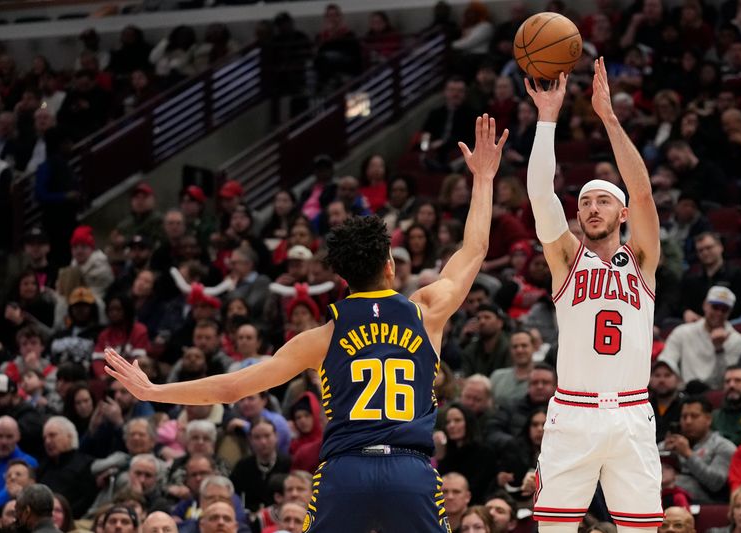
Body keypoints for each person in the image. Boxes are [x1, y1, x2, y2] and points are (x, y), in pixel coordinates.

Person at [105, 113, 508, 532]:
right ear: (390, 266)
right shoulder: (427, 311)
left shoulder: (322, 337)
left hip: (345, 472)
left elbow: (232, 387)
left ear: (342, 278)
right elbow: (475, 249)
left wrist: (154, 389)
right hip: (410, 469)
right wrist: (482, 177)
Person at [523, 59, 664, 528]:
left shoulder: (642, 258)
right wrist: (547, 119)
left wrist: (608, 117)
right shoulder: (565, 258)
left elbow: (643, 194)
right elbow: (542, 195)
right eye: (584, 201)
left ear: (621, 213)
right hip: (573, 412)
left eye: (603, 200)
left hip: (631, 412)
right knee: (554, 528)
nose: (591, 207)